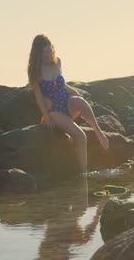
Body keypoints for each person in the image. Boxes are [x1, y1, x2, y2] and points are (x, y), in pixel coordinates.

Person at [27, 34, 109, 174]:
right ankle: (83, 173)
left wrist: (76, 93)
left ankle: (99, 133)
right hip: (54, 110)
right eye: (43, 52)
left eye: (48, 50)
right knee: (81, 136)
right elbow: (39, 98)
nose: (47, 55)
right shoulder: (34, 70)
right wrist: (46, 117)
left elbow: (62, 85)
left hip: (66, 102)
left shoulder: (57, 62)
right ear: (37, 53)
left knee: (80, 101)